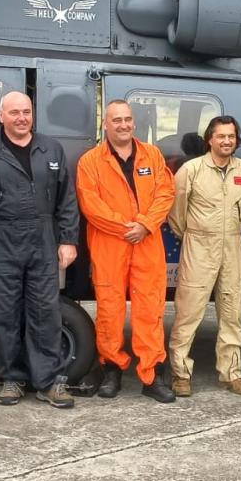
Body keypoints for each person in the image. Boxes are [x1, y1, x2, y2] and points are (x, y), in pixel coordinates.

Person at [0, 90, 80, 408]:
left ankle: (48, 382)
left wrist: (69, 239)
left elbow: (67, 199)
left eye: (26, 112)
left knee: (45, 311)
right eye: (14, 113)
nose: (22, 118)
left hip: (43, 238)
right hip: (1, 240)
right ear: (1, 116)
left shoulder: (50, 148)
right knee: (6, 312)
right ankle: (12, 378)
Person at [76, 98, 176, 403]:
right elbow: (91, 205)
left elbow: (166, 193)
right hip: (110, 245)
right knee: (110, 309)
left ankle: (151, 375)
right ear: (105, 124)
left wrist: (145, 225)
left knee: (150, 308)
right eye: (116, 120)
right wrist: (125, 228)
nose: (123, 125)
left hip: (147, 242)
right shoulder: (90, 162)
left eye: (127, 119)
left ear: (133, 122)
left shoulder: (152, 155)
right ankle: (111, 371)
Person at [167, 115, 241, 396]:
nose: (227, 141)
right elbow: (176, 213)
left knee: (232, 313)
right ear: (210, 139)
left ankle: (231, 374)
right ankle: (181, 375)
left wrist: (228, 230)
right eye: (221, 136)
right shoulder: (191, 170)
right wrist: (195, 235)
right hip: (198, 247)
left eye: (231, 136)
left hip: (232, 247)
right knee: (188, 313)